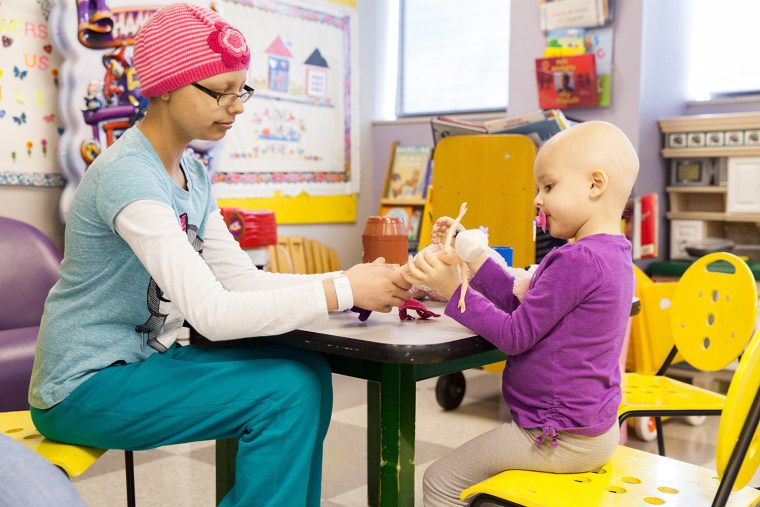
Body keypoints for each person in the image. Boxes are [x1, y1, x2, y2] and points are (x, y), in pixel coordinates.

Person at [28, 4, 410, 507]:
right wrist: (344, 291)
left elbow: (240, 283)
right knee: (285, 392)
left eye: (241, 90)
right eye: (220, 91)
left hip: (142, 364)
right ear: (165, 86)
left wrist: (351, 280)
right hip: (83, 388)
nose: (237, 105)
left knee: (307, 367)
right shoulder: (129, 176)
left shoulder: (194, 176)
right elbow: (213, 313)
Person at [403, 121, 639, 506]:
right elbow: (528, 311)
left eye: (548, 186)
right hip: (590, 430)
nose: (537, 200)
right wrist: (477, 263)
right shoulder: (612, 254)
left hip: (558, 436)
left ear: (595, 185)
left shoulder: (577, 259)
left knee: (440, 481)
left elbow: (515, 335)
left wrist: (454, 290)